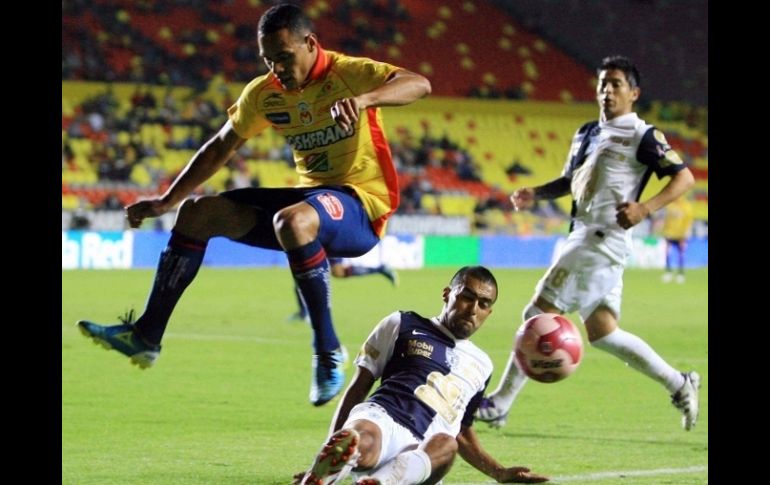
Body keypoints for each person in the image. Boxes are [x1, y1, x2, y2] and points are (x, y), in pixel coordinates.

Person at [77, 3, 431, 407]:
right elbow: (223, 145)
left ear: (311, 44)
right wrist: (167, 200)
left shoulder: (348, 72)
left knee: (293, 221)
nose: (277, 67)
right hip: (314, 199)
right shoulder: (264, 94)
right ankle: (145, 335)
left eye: (284, 56)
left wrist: (366, 99)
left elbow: (418, 83)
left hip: (361, 204)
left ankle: (328, 351)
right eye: (269, 59)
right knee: (197, 214)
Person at [476, 56, 700, 431]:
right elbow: (570, 181)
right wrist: (536, 192)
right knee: (603, 333)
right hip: (583, 235)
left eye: (615, 84)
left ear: (634, 93)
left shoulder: (642, 135)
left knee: (537, 315)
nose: (607, 91)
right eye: (602, 84)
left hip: (600, 240)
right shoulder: (586, 133)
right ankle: (680, 383)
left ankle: (499, 403)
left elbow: (684, 178)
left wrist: (645, 208)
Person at [295, 266, 549, 485]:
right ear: (447, 294)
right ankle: (332, 469)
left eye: (483, 304)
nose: (473, 309)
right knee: (360, 434)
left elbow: (462, 430)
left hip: (423, 448)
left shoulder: (483, 365)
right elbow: (358, 388)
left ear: (488, 312)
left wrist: (500, 472)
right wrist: (322, 453)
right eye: (466, 297)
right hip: (383, 417)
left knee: (447, 444)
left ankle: (381, 481)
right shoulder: (402, 323)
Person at [288, 257, 399, 323]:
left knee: (337, 271)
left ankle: (380, 269)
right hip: (313, 235)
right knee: (303, 273)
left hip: (324, 233)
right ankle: (303, 312)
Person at [660, 195, 694, 283]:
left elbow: (689, 220)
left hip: (681, 234)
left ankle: (681, 273)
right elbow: (667, 220)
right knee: (667, 252)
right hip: (670, 233)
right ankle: (668, 272)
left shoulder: (686, 206)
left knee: (681, 253)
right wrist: (665, 230)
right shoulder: (670, 205)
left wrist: (686, 232)